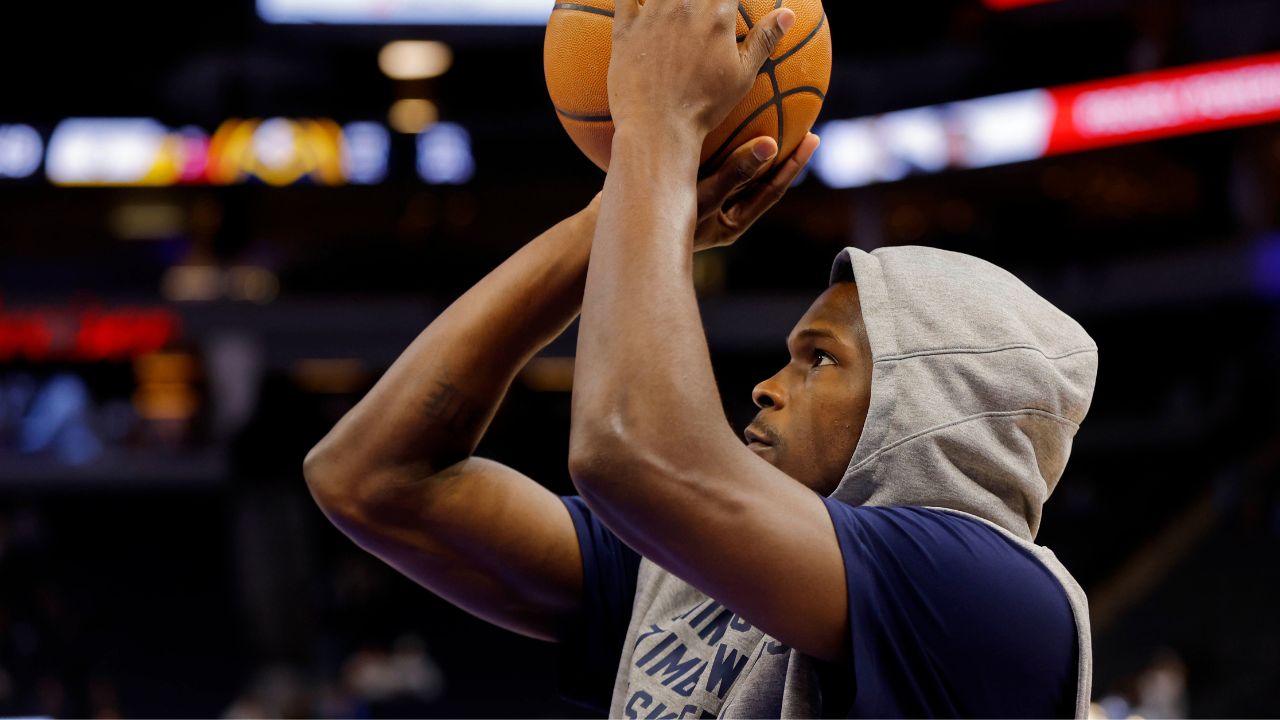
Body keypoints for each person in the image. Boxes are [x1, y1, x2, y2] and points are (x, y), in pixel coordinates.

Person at [304, 1, 1098, 717]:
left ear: (935, 397)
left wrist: (661, 125)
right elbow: (371, 479)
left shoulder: (993, 599)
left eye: (819, 360)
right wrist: (614, 212)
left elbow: (631, 451)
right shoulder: (687, 574)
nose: (765, 387)